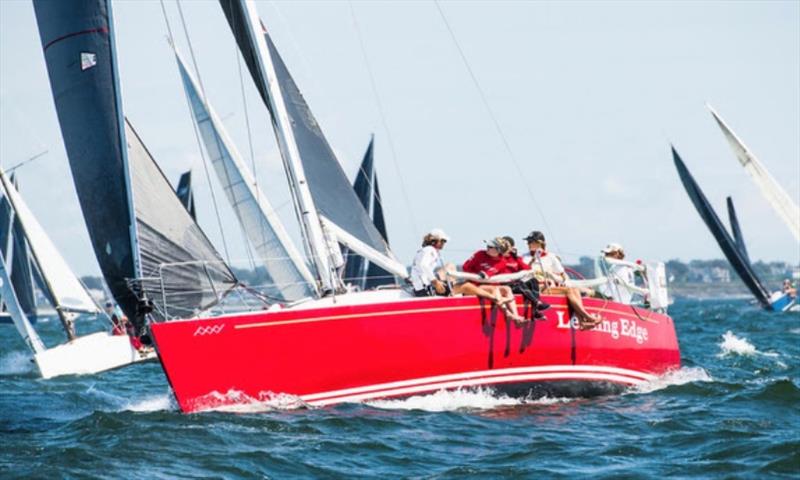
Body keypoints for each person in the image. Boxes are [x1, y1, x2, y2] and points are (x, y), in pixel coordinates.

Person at [523, 231, 601, 330]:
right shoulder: (524, 257)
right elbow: (522, 274)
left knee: (574, 290)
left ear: (540, 243)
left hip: (547, 287)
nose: (529, 244)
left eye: (531, 242)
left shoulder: (551, 257)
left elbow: (563, 277)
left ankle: (582, 322)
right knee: (570, 291)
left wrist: (551, 276)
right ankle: (587, 317)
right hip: (534, 288)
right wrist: (531, 262)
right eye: (528, 242)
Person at [461, 238, 525, 323]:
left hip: (490, 284)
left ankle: (516, 316)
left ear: (498, 251)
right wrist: (476, 275)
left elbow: (488, 274)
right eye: (488, 246)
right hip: (476, 284)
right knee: (494, 289)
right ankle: (508, 313)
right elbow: (465, 267)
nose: (487, 247)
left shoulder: (502, 261)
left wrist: (517, 258)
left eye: (490, 247)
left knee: (507, 289)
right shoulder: (479, 254)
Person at [499, 236, 548, 321]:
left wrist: (518, 258)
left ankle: (535, 311)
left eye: (507, 246)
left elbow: (526, 268)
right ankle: (537, 303)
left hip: (515, 283)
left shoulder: (515, 258)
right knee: (519, 283)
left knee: (533, 280)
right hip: (504, 283)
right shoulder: (498, 258)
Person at [410, 229, 450, 297]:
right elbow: (424, 265)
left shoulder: (425, 250)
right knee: (455, 285)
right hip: (425, 288)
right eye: (443, 241)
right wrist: (436, 282)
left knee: (449, 266)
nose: (444, 243)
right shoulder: (430, 250)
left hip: (420, 286)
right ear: (434, 241)